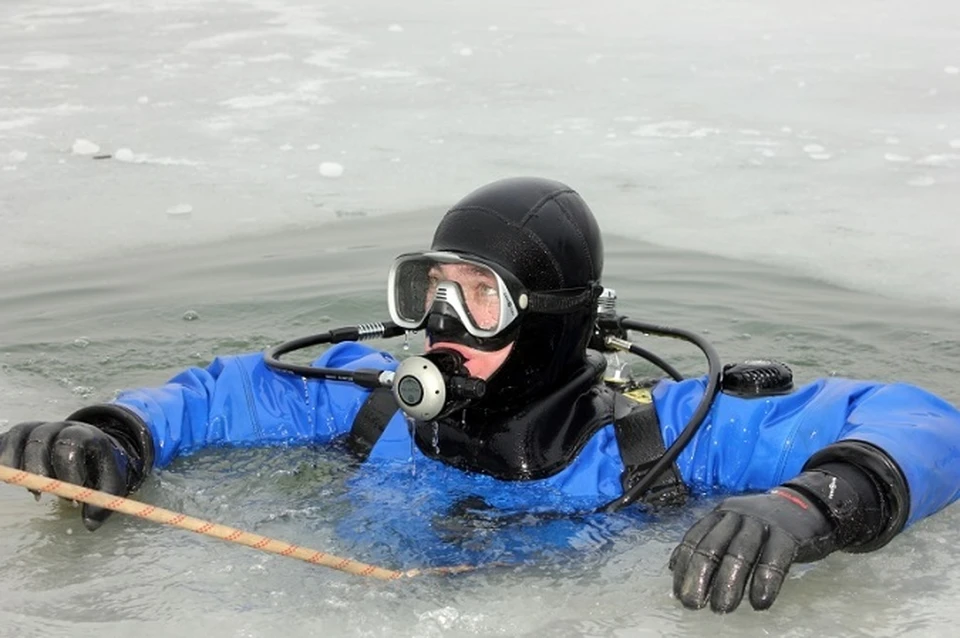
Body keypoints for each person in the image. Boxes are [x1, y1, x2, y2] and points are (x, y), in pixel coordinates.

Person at [2, 176, 960, 614]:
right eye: (431, 290)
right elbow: (222, 396)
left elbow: (924, 419)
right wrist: (113, 432)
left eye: (481, 297)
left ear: (546, 318)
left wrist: (809, 503)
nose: (443, 326)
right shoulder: (371, 406)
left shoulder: (659, 440)